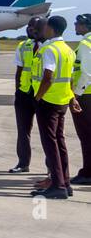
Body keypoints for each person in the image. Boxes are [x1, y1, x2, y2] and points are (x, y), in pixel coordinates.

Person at [32, 15, 78, 199]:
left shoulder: (49, 49)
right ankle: (65, 183)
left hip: (48, 101)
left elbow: (48, 77)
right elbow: (70, 78)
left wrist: (38, 96)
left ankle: (58, 185)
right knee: (59, 141)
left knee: (50, 143)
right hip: (62, 101)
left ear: (50, 28)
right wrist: (72, 97)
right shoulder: (68, 50)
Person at [11, 16, 45, 173]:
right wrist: (18, 90)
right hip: (25, 93)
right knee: (23, 130)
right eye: (29, 26)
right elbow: (19, 70)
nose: (30, 29)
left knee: (48, 133)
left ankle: (52, 167)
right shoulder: (23, 45)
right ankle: (23, 163)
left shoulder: (49, 47)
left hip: (44, 95)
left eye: (34, 26)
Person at [70, 14, 91, 186]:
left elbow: (86, 73)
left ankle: (87, 173)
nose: (75, 26)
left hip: (86, 96)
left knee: (86, 135)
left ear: (86, 26)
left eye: (78, 23)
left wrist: (76, 95)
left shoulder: (85, 44)